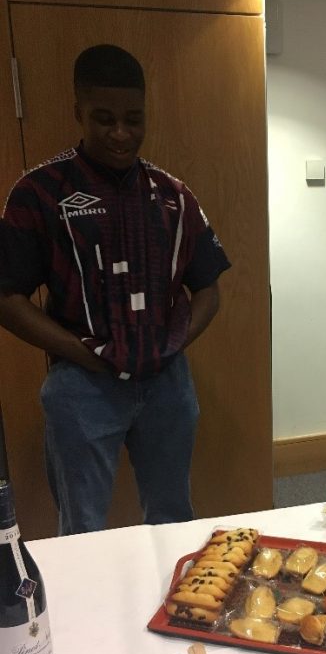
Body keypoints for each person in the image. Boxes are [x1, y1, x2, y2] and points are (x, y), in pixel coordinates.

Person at [0, 44, 231, 534]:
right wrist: (84, 355)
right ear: (78, 112)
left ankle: (176, 609)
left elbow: (208, 288)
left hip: (167, 384)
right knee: (82, 527)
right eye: (104, 118)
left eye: (134, 119)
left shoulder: (171, 194)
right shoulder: (39, 193)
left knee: (173, 518)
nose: (121, 134)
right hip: (82, 386)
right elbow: (7, 298)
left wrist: (172, 344)